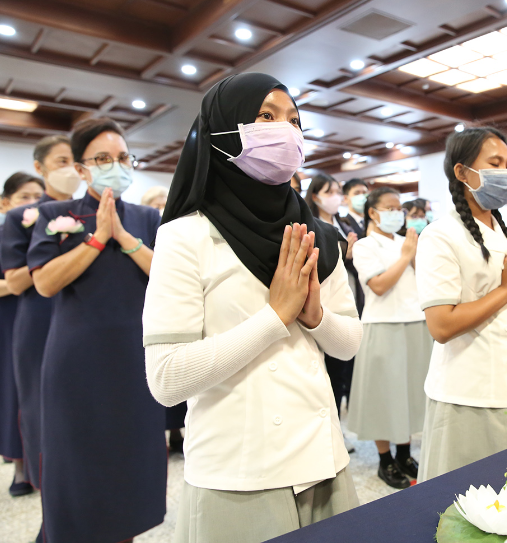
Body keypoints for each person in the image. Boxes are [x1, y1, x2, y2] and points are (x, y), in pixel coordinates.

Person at [143, 72, 362, 542]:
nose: (286, 130)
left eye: (294, 120)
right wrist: (274, 318)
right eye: (266, 116)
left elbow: (349, 344)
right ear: (224, 131)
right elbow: (166, 379)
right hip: (238, 476)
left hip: (323, 458)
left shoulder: (320, 234)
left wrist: (315, 317)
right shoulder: (186, 236)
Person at [28, 118, 166, 543]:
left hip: (135, 356)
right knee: (77, 459)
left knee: (132, 460)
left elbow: (168, 278)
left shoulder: (147, 217)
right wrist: (96, 238)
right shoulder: (56, 215)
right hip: (77, 358)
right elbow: (45, 282)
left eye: (123, 157)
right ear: (82, 169)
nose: (116, 166)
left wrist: (123, 238)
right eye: (103, 158)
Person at [415, 127, 507, 481]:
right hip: (469, 392)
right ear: (462, 172)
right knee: (472, 499)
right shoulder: (440, 236)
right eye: (495, 163)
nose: (505, 173)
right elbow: (442, 326)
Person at [0, 136, 76, 503]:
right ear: (40, 167)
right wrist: (58, 262)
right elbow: (15, 281)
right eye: (62, 160)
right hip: (39, 320)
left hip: (84, 318)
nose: (71, 168)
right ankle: (49, 501)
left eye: (75, 160)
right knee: (40, 412)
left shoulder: (94, 213)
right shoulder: (21, 218)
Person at [348, 187, 432, 489]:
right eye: (390, 208)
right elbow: (379, 286)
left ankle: (404, 454)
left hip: (415, 322)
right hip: (383, 325)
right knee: (383, 395)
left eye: (400, 208)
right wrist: (406, 256)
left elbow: (424, 279)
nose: (398, 213)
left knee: (408, 393)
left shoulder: (405, 241)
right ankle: (385, 459)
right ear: (373, 212)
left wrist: (412, 254)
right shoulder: (365, 246)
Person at [0, 171, 46, 498]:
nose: (32, 204)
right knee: (14, 392)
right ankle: (19, 467)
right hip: (9, 316)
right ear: (4, 203)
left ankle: (42, 465)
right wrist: (36, 274)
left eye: (37, 197)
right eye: (23, 197)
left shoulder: (51, 231)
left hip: (44, 314)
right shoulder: (1, 234)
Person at [306, 173, 362, 422]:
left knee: (344, 366)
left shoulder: (346, 224)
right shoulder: (309, 222)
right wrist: (343, 253)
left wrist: (351, 255)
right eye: (329, 192)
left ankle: (338, 420)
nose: (335, 197)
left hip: (350, 293)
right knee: (326, 367)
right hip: (320, 303)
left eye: (338, 192)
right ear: (315, 196)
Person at [140, 184, 186, 450]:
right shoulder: (142, 230)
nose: (160, 208)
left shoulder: (180, 231)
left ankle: (177, 431)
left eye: (164, 203)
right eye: (155, 204)